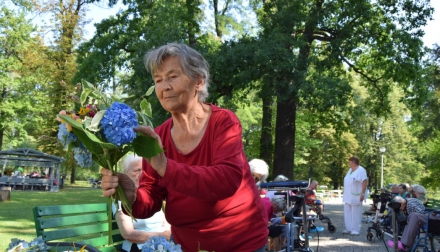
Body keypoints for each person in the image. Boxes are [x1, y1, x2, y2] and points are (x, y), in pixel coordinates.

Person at [101, 43, 268, 252]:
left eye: (173, 76)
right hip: (186, 245)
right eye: (158, 80)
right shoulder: (159, 135)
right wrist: (131, 197)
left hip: (241, 243)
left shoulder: (224, 122)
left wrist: (165, 166)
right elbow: (150, 198)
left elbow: (226, 180)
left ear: (198, 81)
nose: (165, 87)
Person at [113, 155, 171, 252]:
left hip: (163, 245)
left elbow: (166, 224)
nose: (142, 174)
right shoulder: (122, 197)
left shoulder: (152, 195)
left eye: (144, 170)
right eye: (137, 170)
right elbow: (128, 234)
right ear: (125, 173)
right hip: (139, 247)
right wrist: (163, 236)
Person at [342, 156, 368, 236]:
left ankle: (355, 230)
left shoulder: (361, 170)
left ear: (353, 162)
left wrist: (362, 194)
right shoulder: (350, 170)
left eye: (350, 161)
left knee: (355, 213)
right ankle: (348, 228)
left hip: (356, 194)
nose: (349, 163)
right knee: (347, 212)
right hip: (347, 195)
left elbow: (364, 182)